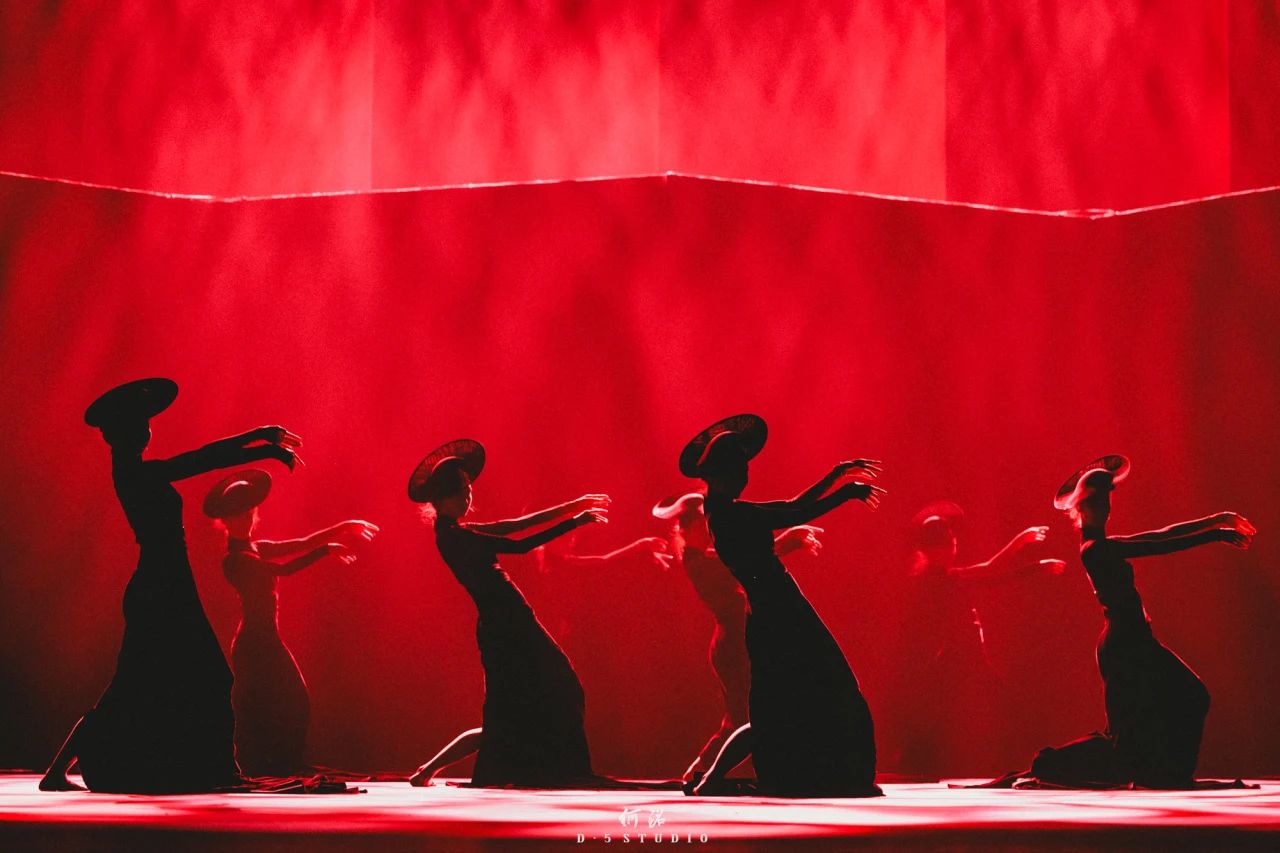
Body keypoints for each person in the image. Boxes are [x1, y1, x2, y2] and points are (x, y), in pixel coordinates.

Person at [41, 378, 301, 793]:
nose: (148, 430)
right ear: (127, 434)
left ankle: (59, 772)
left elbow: (201, 458)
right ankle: (221, 769)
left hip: (164, 582)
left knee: (146, 682)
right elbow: (201, 459)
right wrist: (260, 442)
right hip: (159, 586)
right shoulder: (134, 472)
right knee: (204, 677)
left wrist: (259, 441)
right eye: (141, 425)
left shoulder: (135, 470)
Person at [987, 455, 1255, 789]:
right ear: (1081, 509)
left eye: (1107, 500)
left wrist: (1215, 520)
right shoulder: (1094, 549)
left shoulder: (1105, 544)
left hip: (1135, 640)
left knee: (1181, 701)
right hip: (1124, 645)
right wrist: (1213, 535)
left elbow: (1159, 534)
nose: (1106, 507)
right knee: (1170, 708)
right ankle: (1048, 765)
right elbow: (1160, 546)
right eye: (1098, 501)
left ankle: (1171, 774)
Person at [680, 414, 885, 798]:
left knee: (779, 706)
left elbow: (792, 505)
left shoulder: (724, 511)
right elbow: (795, 513)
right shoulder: (732, 515)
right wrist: (845, 493)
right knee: (810, 694)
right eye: (740, 471)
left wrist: (835, 475)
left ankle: (712, 780)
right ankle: (712, 779)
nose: (746, 477)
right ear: (722, 475)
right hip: (780, 614)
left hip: (775, 612)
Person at [406, 439, 608, 787]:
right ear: (442, 500)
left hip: (509, 621)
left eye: (469, 490)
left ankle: (426, 771)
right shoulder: (453, 537)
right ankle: (561, 768)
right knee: (555, 690)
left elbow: (515, 524)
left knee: (512, 716)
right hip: (506, 625)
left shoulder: (459, 531)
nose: (468, 497)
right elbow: (521, 545)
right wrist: (573, 522)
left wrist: (570, 506)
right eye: (461, 492)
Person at [203, 469, 379, 775]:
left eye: (248, 513)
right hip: (253, 644)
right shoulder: (235, 560)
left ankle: (284, 761)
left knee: (290, 698)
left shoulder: (257, 547)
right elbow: (283, 570)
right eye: (238, 515)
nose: (245, 519)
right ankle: (263, 763)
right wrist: (326, 551)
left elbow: (301, 542)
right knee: (262, 703)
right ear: (226, 521)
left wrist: (341, 527)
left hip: (267, 638)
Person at [651, 490, 822, 787]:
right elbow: (746, 561)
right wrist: (787, 539)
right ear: (687, 529)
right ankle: (702, 772)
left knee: (743, 714)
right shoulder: (698, 562)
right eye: (702, 524)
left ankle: (705, 771)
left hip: (736, 641)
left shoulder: (707, 557)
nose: (709, 529)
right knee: (742, 715)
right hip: (731, 644)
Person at [897, 501, 1064, 777]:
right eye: (945, 544)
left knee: (943, 711)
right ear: (930, 550)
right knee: (999, 708)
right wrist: (1025, 548)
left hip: (963, 658)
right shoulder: (939, 580)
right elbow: (991, 570)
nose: (952, 548)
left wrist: (1033, 563)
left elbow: (992, 574)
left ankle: (917, 761)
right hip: (961, 658)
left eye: (952, 542)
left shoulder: (943, 578)